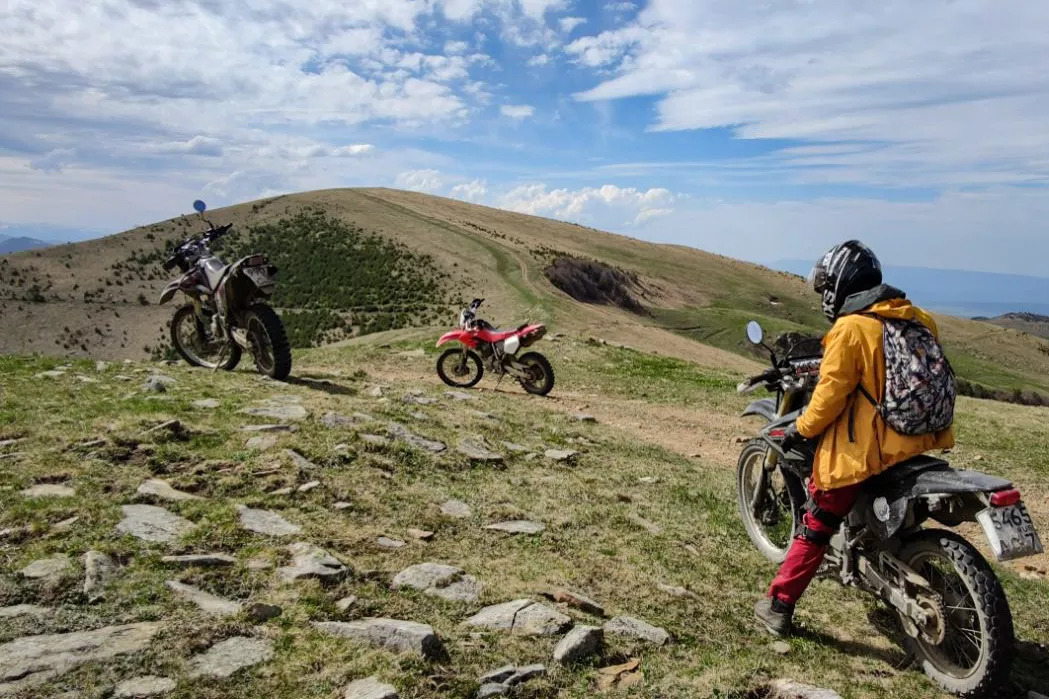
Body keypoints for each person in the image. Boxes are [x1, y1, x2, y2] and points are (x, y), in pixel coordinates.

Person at [754, 240, 955, 636]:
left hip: (868, 452)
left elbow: (828, 400)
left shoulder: (849, 329)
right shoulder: (917, 318)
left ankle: (778, 607)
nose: (824, 296)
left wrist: (800, 429)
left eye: (827, 287)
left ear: (841, 286)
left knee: (817, 522)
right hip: (916, 442)